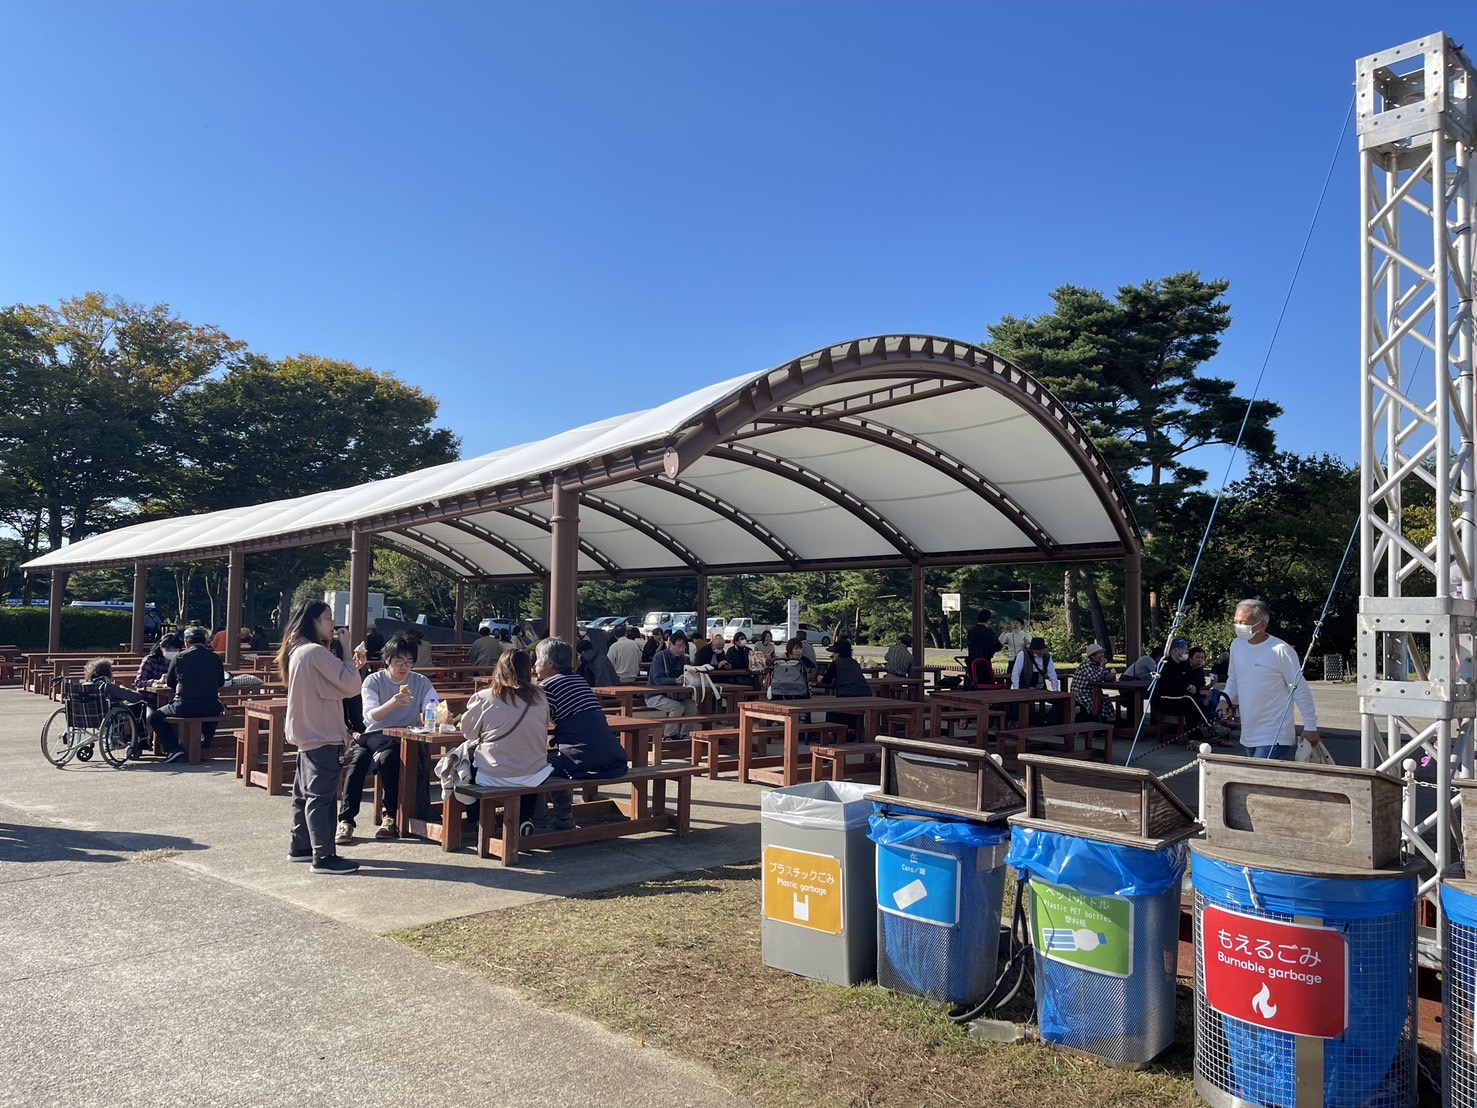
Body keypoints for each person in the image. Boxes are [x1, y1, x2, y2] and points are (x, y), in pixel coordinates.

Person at [277, 600, 362, 875]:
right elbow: (351, 686)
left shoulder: (297, 650)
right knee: (322, 796)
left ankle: (301, 846)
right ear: (313, 621)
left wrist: (347, 664)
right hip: (322, 732)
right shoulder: (314, 651)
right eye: (328, 618)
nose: (333, 624)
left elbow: (336, 682)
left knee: (304, 794)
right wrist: (347, 650)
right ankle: (323, 856)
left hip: (306, 732)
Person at [336, 632, 439, 846]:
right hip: (374, 736)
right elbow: (370, 716)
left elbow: (434, 706)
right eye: (399, 661)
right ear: (387, 660)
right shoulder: (373, 680)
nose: (404, 667)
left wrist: (434, 713)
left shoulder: (420, 681)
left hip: (403, 739)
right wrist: (393, 703)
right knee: (357, 763)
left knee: (388, 759)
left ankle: (390, 816)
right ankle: (346, 821)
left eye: (409, 662)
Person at [534, 637, 629, 831]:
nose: (534, 663)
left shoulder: (547, 688)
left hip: (584, 761)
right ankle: (563, 818)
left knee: (536, 765)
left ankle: (543, 820)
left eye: (537, 658)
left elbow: (536, 724)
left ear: (549, 663)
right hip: (611, 758)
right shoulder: (579, 680)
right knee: (555, 760)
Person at [460, 649, 552, 835]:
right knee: (528, 764)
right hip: (533, 774)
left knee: (465, 762)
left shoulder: (484, 697)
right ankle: (524, 818)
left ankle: (479, 818)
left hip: (493, 774)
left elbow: (468, 733)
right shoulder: (540, 696)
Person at [1219, 598, 1320, 760]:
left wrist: (1311, 726)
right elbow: (1234, 678)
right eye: (1236, 622)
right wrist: (1226, 698)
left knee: (1255, 780)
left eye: (1244, 622)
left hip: (1275, 735)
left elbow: (1299, 689)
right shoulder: (1236, 645)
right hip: (1248, 733)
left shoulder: (1281, 650)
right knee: (1257, 782)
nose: (1238, 626)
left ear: (1263, 624)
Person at [152, 626, 226, 762]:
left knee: (156, 717)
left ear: (186, 642)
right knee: (216, 710)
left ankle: (173, 749)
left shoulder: (179, 657)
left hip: (184, 705)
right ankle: (204, 743)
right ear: (205, 642)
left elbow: (170, 683)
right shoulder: (215, 658)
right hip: (210, 705)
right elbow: (220, 682)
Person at [1150, 637, 1214, 740]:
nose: (1187, 651)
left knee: (1191, 702)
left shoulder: (1184, 664)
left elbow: (1193, 680)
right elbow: (1170, 685)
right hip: (1164, 699)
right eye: (1184, 648)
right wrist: (1187, 687)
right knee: (1189, 699)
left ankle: (1195, 738)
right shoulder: (1165, 664)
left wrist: (1194, 687)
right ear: (1176, 650)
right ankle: (1211, 724)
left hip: (1179, 697)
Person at [83, 658, 153, 749]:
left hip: (86, 718)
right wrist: (122, 687)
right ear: (108, 673)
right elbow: (137, 697)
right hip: (108, 719)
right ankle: (138, 739)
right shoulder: (108, 687)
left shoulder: (84, 686)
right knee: (143, 708)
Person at [646, 630, 698, 740]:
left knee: (692, 706)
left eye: (684, 647)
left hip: (677, 696)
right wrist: (675, 680)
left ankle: (685, 735)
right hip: (656, 695)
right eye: (679, 646)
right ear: (670, 644)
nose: (681, 650)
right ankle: (669, 736)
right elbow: (657, 680)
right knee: (677, 707)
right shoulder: (659, 657)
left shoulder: (684, 659)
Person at [1009, 636, 1061, 725]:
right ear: (1033, 650)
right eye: (1038, 649)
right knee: (1015, 701)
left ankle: (1050, 721)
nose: (1041, 651)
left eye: (1042, 649)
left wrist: (1055, 691)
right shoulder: (1023, 655)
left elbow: (1052, 674)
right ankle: (1018, 721)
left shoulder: (1047, 657)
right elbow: (1016, 672)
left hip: (1040, 687)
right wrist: (1016, 689)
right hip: (1024, 686)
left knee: (1060, 701)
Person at [1070, 642, 1117, 721]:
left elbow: (1104, 677)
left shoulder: (1098, 664)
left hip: (1093, 692)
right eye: (1099, 653)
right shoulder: (1086, 665)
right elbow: (1095, 679)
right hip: (1081, 693)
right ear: (1092, 656)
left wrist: (1111, 676)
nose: (1102, 655)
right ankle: (1083, 720)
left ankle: (1099, 722)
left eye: (1102, 652)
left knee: (1105, 702)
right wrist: (1102, 666)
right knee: (1094, 705)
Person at [966, 610, 1003, 686]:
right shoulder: (989, 632)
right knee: (985, 683)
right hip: (984, 661)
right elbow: (997, 646)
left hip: (972, 660)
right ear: (988, 621)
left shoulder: (971, 631)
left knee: (973, 682)